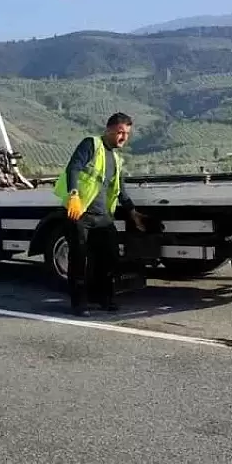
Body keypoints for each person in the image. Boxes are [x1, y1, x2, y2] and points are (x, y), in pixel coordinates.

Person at [54, 112, 147, 316]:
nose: (124, 137)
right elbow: (74, 168)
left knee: (109, 258)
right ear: (109, 130)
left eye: (127, 134)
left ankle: (103, 298)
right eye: (120, 132)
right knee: (79, 259)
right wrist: (74, 195)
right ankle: (79, 303)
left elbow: (120, 189)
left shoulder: (116, 159)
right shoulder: (92, 145)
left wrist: (132, 212)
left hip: (103, 218)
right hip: (81, 213)